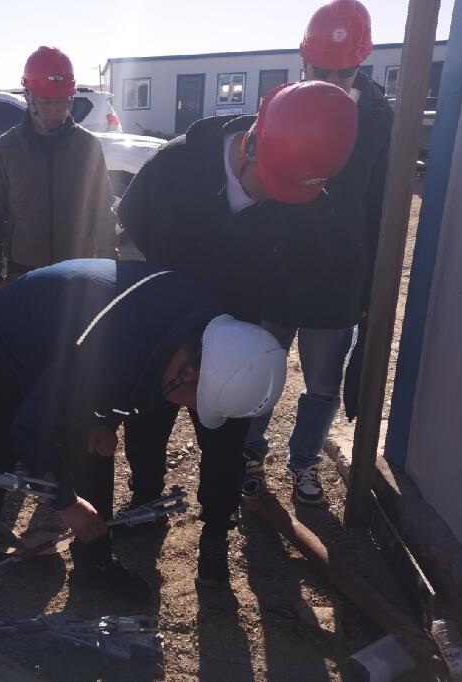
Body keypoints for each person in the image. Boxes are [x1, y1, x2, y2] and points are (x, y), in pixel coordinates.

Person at [118, 80, 359, 587]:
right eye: (271, 184)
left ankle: (215, 533)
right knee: (148, 420)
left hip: (238, 339)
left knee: (227, 443)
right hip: (161, 331)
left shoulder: (309, 198)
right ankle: (146, 500)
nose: (275, 198)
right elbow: (132, 224)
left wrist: (259, 305)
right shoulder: (178, 165)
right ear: (251, 144)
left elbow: (316, 266)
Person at [0, 258, 286, 614]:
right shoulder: (110, 349)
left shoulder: (204, 329)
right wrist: (66, 503)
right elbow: (30, 430)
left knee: (93, 451)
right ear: (187, 373)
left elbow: (138, 372)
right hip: (4, 345)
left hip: (71, 345)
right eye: (195, 401)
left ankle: (94, 564)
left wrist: (106, 421)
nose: (189, 409)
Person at [243, 0, 394, 506]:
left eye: (342, 71)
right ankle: (248, 455)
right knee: (261, 375)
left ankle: (304, 460)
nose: (331, 81)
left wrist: (369, 286)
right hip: (278, 269)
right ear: (303, 60)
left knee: (324, 383)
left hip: (338, 274)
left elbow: (381, 207)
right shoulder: (281, 104)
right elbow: (256, 190)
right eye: (320, 70)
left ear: (361, 62)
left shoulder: (378, 120)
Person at [0, 46, 117, 294]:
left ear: (71, 98)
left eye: (62, 101)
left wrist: (110, 269)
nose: (55, 109)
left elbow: (103, 214)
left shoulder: (88, 147)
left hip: (78, 274)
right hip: (23, 274)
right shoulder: (6, 149)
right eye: (46, 101)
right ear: (28, 97)